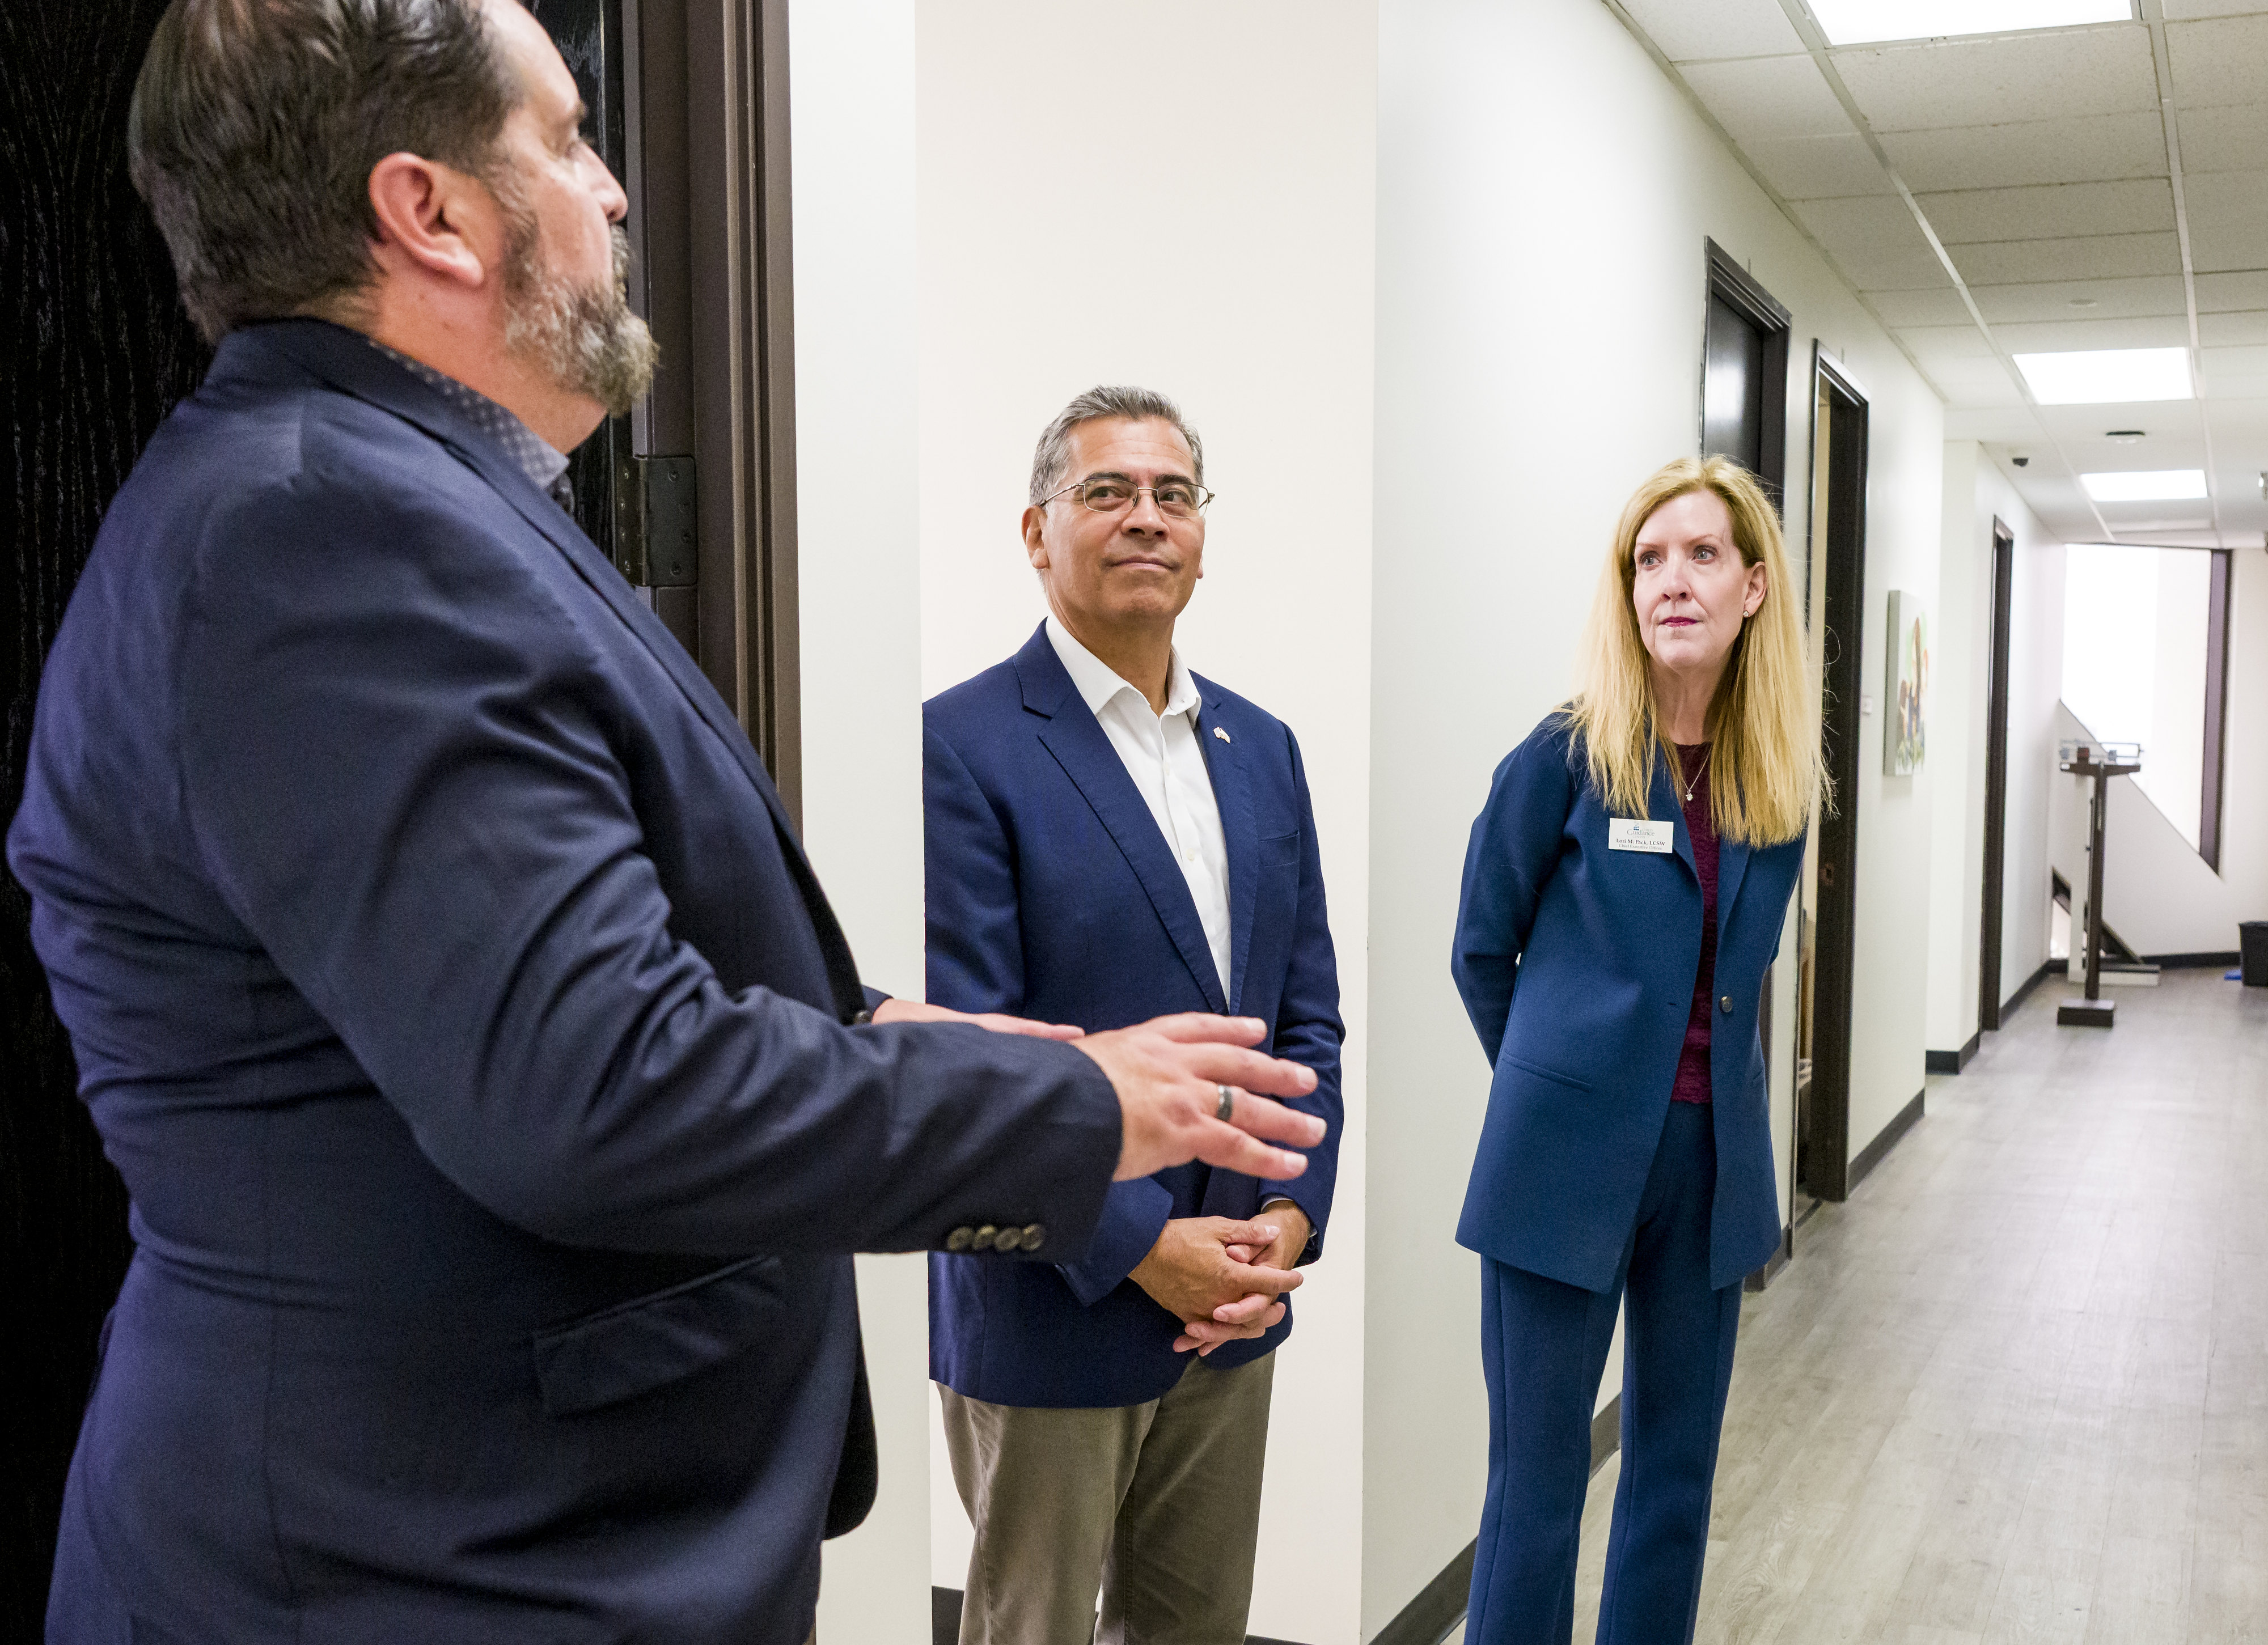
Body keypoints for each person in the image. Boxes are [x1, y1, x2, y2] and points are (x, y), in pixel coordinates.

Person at [4, 6, 1326, 1642]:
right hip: (424, 1564)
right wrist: (1070, 1101)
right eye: (566, 138)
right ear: (431, 213)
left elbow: (591, 980)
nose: (617, 190)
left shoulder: (422, 501)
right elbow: (597, 1086)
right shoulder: (323, 530)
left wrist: (891, 1027)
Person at [923, 387, 1343, 1645]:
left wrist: (1283, 1218)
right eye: (1105, 492)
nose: (1144, 518)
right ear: (1035, 532)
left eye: (1172, 494)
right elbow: (963, 1061)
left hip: (1233, 1308)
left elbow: (1305, 1026)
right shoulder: (964, 746)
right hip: (1054, 1299)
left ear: (1202, 533)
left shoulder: (1261, 748)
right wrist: (1144, 1246)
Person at [1450, 456, 1824, 1644]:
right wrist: (1560, 1090)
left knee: (1671, 1477)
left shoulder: (1774, 787)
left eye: (1700, 554)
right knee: (1537, 1486)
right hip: (1557, 1164)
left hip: (1709, 1169)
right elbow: (1478, 949)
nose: (1670, 580)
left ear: (1752, 585)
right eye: (1646, 559)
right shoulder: (1562, 757)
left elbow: (1740, 978)